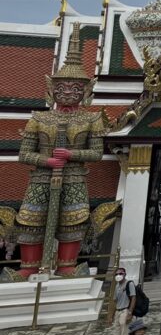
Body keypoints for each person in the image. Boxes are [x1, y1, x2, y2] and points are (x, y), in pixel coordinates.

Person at [6, 23, 105, 279]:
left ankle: (66, 265)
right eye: (63, 87)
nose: (69, 92)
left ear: (86, 91)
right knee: (31, 221)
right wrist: (47, 160)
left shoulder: (91, 119)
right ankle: (28, 267)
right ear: (52, 89)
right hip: (41, 177)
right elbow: (23, 154)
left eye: (75, 88)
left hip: (73, 177)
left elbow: (96, 153)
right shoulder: (39, 118)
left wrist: (71, 155)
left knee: (73, 221)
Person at [112, 267, 137, 335]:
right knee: (117, 330)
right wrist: (112, 314)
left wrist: (130, 312)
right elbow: (115, 300)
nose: (118, 275)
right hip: (118, 311)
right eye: (116, 274)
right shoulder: (117, 286)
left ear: (125, 274)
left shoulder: (129, 284)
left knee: (124, 330)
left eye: (120, 273)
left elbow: (133, 298)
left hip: (125, 310)